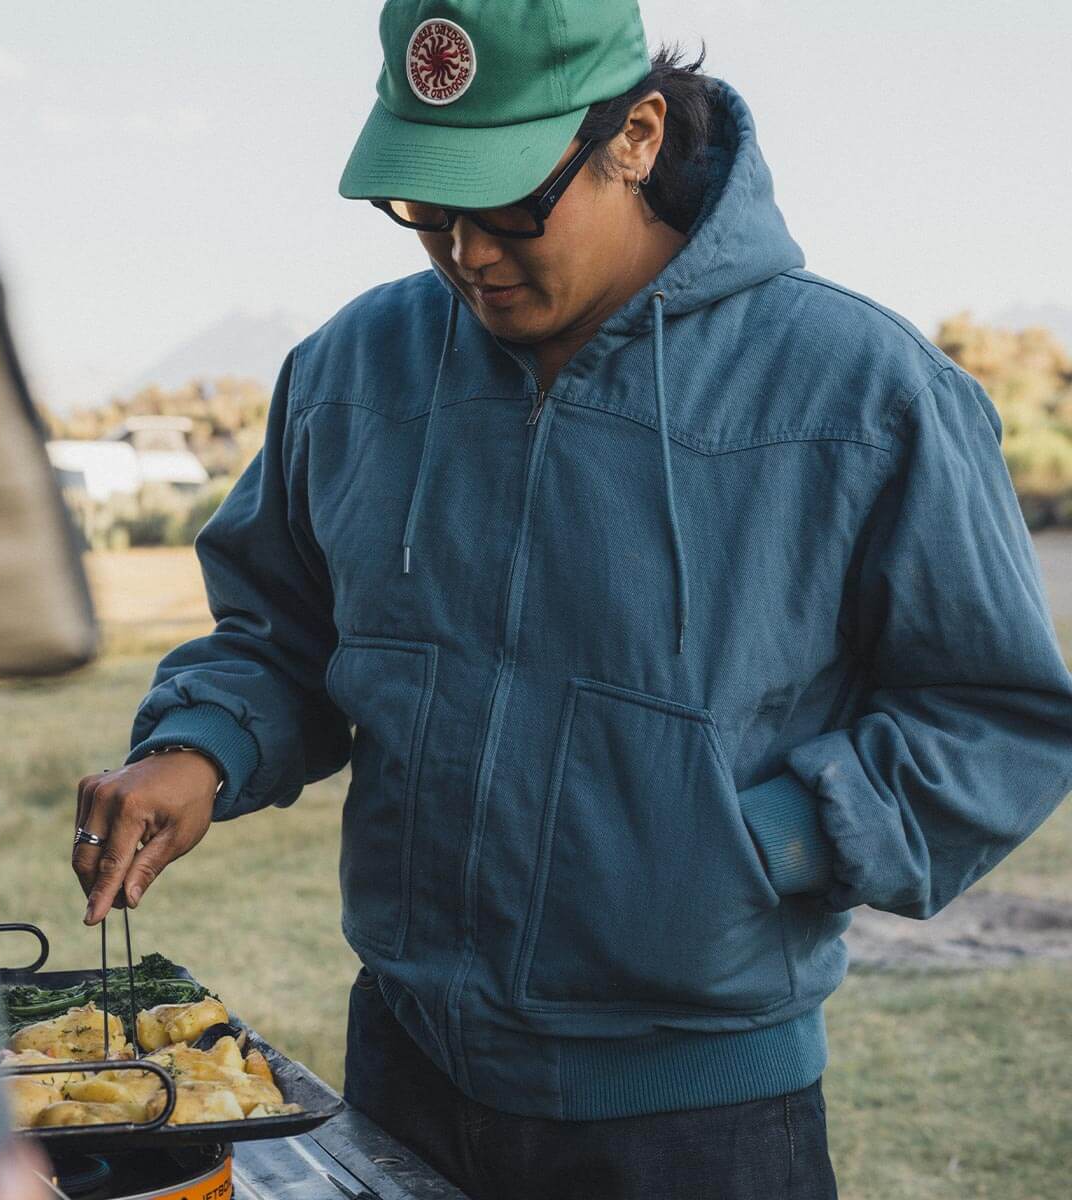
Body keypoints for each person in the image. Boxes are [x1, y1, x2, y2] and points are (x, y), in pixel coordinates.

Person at [71, 2, 1072, 1197]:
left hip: (697, 1122)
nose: (466, 254)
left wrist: (761, 841)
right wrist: (201, 746)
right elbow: (281, 636)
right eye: (424, 209)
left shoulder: (863, 393)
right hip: (401, 1067)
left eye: (506, 206)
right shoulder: (349, 373)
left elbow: (996, 716)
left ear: (636, 134)